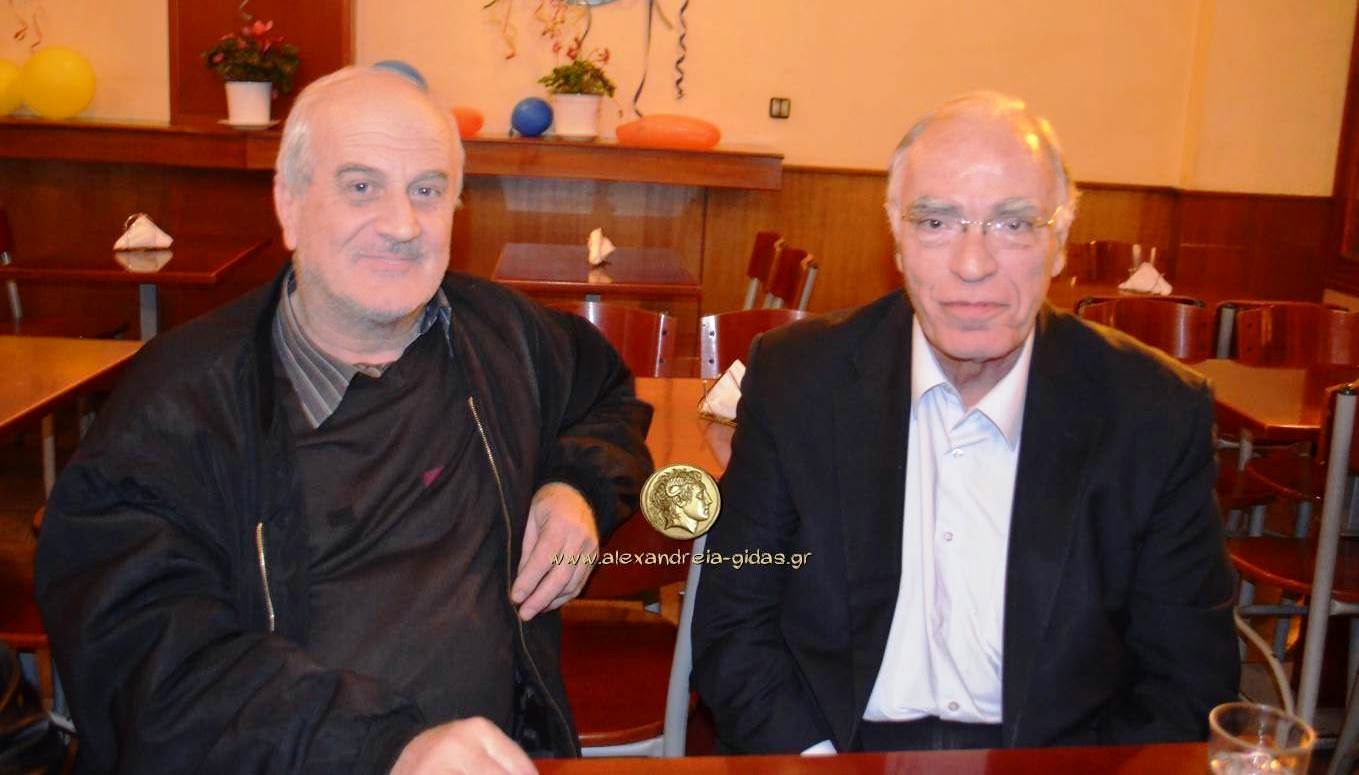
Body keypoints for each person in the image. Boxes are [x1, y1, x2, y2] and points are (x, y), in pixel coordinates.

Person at [35, 66, 654, 774]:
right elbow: (151, 666)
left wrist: (577, 487)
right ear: (289, 204)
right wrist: (384, 748)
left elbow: (609, 394)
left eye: (427, 191)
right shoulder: (176, 404)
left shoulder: (504, 338)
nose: (402, 224)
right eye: (361, 187)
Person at [690, 92, 1238, 755]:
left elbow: (1187, 680)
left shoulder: (1154, 412)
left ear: (1058, 244)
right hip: (838, 751)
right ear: (896, 239)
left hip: (1057, 762)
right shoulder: (794, 379)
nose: (972, 264)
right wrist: (817, 766)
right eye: (936, 221)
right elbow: (734, 623)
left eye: (1013, 224)